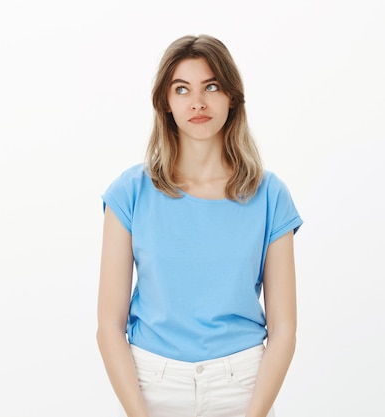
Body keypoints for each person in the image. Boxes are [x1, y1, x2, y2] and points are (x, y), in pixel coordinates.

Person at [96, 34, 303, 417]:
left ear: (232, 98)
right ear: (166, 103)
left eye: (211, 86)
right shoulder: (130, 192)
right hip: (151, 386)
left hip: (242, 387)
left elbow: (285, 329)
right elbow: (109, 326)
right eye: (182, 89)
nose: (198, 102)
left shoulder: (270, 194)